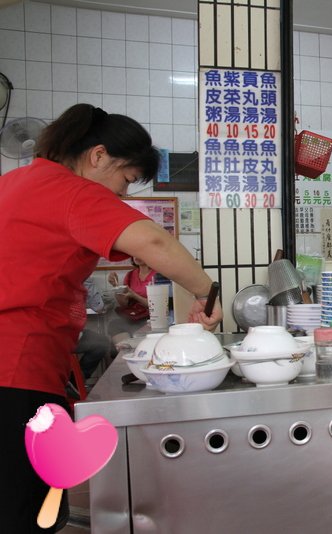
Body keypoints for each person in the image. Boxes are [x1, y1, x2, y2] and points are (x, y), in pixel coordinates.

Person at [0, 103, 222, 533]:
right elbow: (154, 242)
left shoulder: (18, 181)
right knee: (24, 509)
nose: (120, 196)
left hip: (18, 364)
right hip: (15, 367)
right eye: (124, 180)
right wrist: (207, 292)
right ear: (98, 156)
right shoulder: (70, 190)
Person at [106, 256, 158, 344]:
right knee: (114, 324)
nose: (137, 256)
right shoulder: (130, 275)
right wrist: (116, 286)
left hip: (151, 317)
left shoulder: (157, 275)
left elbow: (157, 305)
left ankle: (132, 350)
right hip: (134, 316)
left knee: (141, 329)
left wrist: (134, 295)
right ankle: (125, 351)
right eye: (134, 253)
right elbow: (124, 304)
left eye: (140, 253)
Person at [74, 277, 116, 381]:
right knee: (102, 343)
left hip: (39, 338)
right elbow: (98, 307)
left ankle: (72, 382)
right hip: (67, 337)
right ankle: (76, 381)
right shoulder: (81, 276)